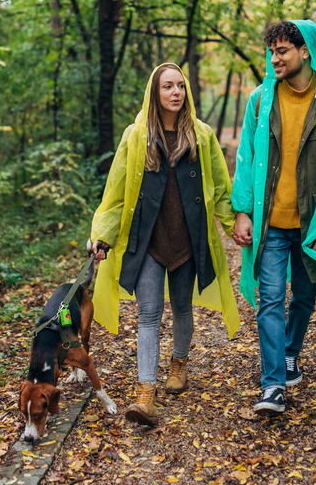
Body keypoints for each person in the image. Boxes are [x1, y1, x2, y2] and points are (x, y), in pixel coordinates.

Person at [90, 63, 240, 426]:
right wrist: (103, 233)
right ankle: (145, 395)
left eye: (180, 86)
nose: (175, 92)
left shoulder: (201, 136)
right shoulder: (135, 135)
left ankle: (179, 363)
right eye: (167, 87)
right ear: (155, 93)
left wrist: (236, 223)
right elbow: (115, 190)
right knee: (149, 314)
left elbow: (219, 188)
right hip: (148, 242)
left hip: (188, 239)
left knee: (183, 308)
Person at [231, 20, 316, 415]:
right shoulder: (261, 99)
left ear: (306, 51)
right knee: (269, 300)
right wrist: (241, 211)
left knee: (303, 297)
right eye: (272, 51)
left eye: (282, 51)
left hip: (310, 225)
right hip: (270, 222)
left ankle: (290, 352)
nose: (275, 59)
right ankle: (273, 385)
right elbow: (246, 156)